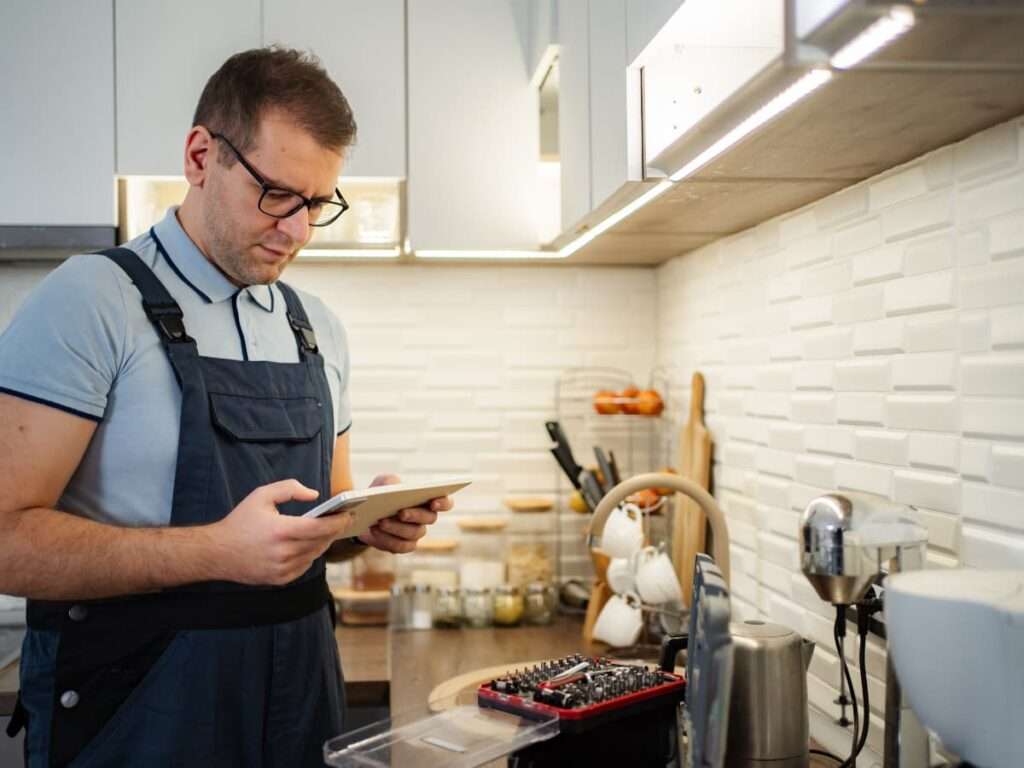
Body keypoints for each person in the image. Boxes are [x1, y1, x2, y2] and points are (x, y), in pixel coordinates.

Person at [0, 47, 452, 767]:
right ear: (200, 155)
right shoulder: (90, 301)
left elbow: (316, 523)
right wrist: (215, 551)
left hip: (302, 701)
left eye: (317, 203)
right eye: (276, 193)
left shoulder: (317, 329)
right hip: (139, 712)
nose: (297, 230)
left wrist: (365, 523)